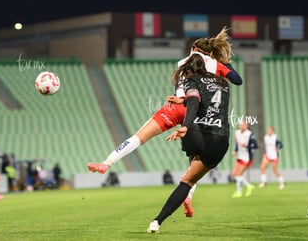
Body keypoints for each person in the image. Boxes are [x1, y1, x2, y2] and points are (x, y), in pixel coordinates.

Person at [88, 26, 242, 217]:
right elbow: (236, 80)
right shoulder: (216, 65)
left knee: (140, 137)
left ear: (193, 47)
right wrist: (226, 64)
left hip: (175, 106)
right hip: (197, 111)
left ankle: (107, 162)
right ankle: (188, 195)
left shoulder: (182, 62)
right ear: (210, 52)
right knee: (197, 161)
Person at [147, 53, 231, 233]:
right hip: (220, 139)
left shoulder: (191, 80)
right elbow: (207, 100)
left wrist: (185, 125)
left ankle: (157, 222)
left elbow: (194, 101)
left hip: (196, 133)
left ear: (190, 70)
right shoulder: (223, 83)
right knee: (188, 181)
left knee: (190, 157)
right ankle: (160, 219)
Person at [231, 120, 258, 198]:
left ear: (246, 126)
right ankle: (244, 189)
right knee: (235, 174)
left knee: (238, 175)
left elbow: (255, 146)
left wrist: (246, 146)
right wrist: (235, 151)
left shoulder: (250, 135)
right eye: (240, 125)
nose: (241, 126)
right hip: (240, 156)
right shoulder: (237, 133)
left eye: (243, 125)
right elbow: (237, 144)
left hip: (247, 157)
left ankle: (244, 189)